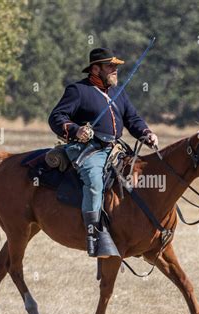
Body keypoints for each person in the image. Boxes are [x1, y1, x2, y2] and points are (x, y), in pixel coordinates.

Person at [48, 47, 158, 258]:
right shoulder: (78, 90)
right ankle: (93, 235)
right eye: (110, 66)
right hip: (87, 150)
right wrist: (76, 129)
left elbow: (132, 119)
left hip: (116, 149)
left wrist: (146, 132)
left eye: (116, 67)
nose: (115, 70)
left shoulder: (118, 92)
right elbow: (56, 117)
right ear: (96, 69)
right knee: (94, 181)